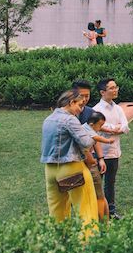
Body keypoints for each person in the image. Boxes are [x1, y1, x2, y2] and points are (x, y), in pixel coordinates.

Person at [40, 90, 98, 231]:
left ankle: (58, 240)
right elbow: (86, 143)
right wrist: (91, 133)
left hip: (50, 170)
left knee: (56, 212)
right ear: (71, 102)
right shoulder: (70, 119)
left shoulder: (48, 119)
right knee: (86, 209)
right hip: (71, 168)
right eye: (80, 105)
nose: (81, 110)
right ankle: (89, 241)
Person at [93, 78, 129, 220]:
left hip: (114, 151)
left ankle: (111, 211)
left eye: (116, 87)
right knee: (97, 184)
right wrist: (115, 128)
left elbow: (125, 126)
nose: (115, 90)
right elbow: (99, 128)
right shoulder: (96, 110)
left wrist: (113, 129)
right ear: (102, 92)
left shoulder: (118, 108)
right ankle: (96, 212)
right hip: (100, 153)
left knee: (110, 183)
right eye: (112, 88)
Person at [83, 111, 115, 221]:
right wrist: (108, 141)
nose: (100, 128)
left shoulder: (84, 127)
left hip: (87, 161)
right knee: (99, 195)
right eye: (100, 125)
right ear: (92, 124)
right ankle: (102, 221)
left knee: (97, 194)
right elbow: (97, 138)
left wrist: (100, 158)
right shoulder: (88, 130)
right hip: (89, 162)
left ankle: (101, 220)